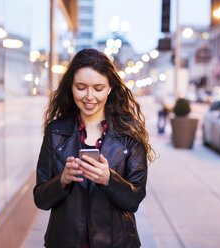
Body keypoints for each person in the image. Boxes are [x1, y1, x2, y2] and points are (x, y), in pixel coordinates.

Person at [33, 48, 155, 248]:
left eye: (98, 88)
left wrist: (109, 179)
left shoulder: (129, 133)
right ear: (70, 87)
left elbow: (134, 199)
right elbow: (41, 199)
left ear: (109, 88)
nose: (89, 96)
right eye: (81, 87)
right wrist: (62, 180)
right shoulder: (55, 132)